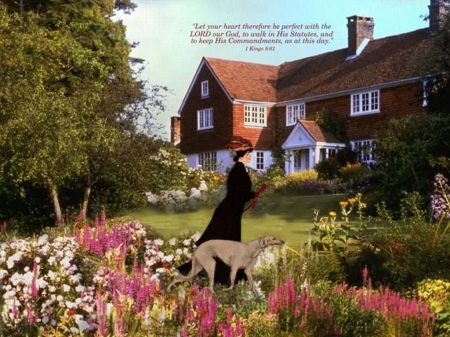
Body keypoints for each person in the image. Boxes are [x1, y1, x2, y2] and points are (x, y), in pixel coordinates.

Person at [178, 136, 259, 285]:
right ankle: (220, 276)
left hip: (231, 211)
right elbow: (237, 193)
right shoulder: (238, 171)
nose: (249, 157)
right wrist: (251, 195)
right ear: (241, 156)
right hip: (228, 213)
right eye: (247, 154)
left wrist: (251, 195)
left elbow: (239, 193)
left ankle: (224, 276)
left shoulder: (240, 170)